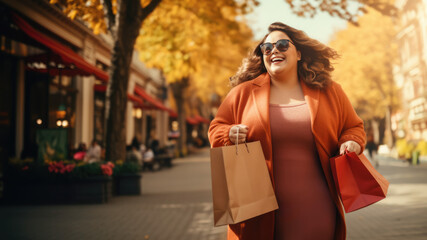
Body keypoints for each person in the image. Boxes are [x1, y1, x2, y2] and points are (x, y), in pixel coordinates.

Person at [208, 22, 366, 240]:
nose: (274, 50)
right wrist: (229, 134)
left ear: (299, 53)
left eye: (282, 45)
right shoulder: (242, 93)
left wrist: (352, 142)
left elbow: (353, 126)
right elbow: (216, 127)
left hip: (318, 208)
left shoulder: (330, 91)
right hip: (254, 210)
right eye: (267, 47)